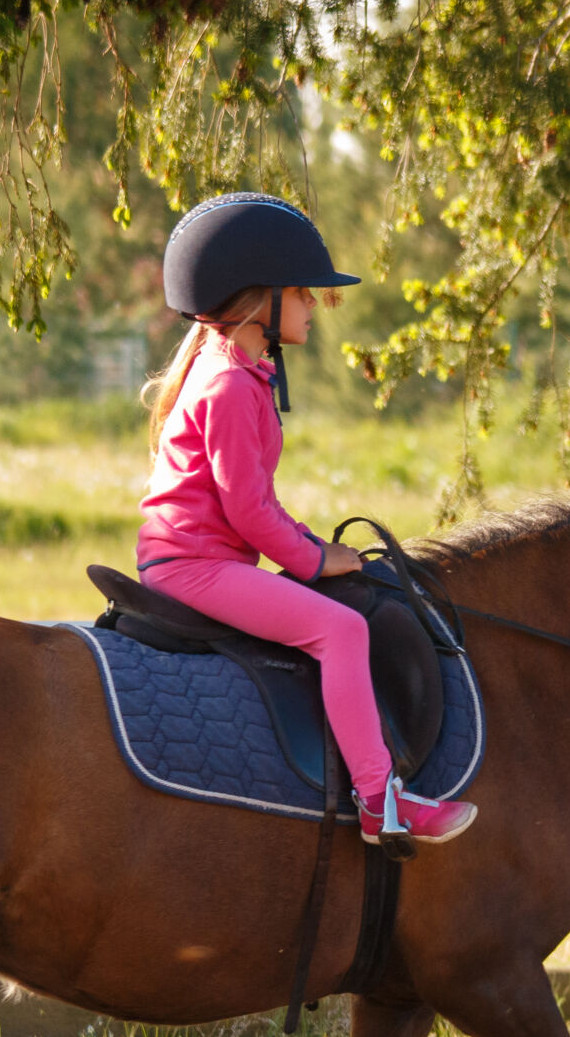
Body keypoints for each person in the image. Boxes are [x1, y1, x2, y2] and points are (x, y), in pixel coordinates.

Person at [138, 191, 474, 846]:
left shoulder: (234, 370)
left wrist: (313, 546)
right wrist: (314, 560)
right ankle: (379, 803)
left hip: (203, 559)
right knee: (340, 630)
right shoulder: (229, 386)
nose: (315, 304)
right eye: (301, 292)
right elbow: (247, 510)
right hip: (193, 566)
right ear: (257, 300)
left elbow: (255, 501)